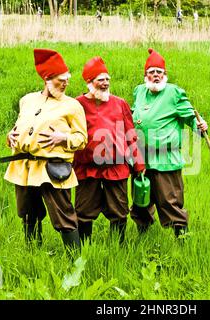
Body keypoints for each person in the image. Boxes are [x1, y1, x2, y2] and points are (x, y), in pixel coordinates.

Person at [3, 49, 87, 256]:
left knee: (64, 214)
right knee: (28, 213)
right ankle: (32, 253)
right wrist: (10, 136)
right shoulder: (27, 100)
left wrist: (64, 138)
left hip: (53, 167)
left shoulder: (72, 106)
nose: (66, 83)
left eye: (67, 79)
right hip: (23, 167)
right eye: (61, 80)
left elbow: (82, 139)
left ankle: (75, 260)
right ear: (47, 79)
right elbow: (21, 126)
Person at [130, 48, 208, 238]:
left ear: (165, 75)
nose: (155, 75)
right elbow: (134, 112)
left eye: (159, 72)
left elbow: (191, 116)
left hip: (166, 158)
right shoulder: (139, 91)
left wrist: (199, 125)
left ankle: (182, 238)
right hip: (142, 158)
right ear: (145, 75)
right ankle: (143, 234)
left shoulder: (174, 93)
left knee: (169, 200)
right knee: (141, 199)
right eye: (151, 72)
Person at [74, 57, 145, 245]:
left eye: (107, 79)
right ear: (89, 82)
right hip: (87, 167)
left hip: (116, 166)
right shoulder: (77, 104)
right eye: (100, 80)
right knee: (83, 211)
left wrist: (138, 164)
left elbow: (131, 134)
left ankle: (117, 248)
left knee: (119, 211)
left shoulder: (120, 103)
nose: (105, 84)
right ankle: (83, 249)